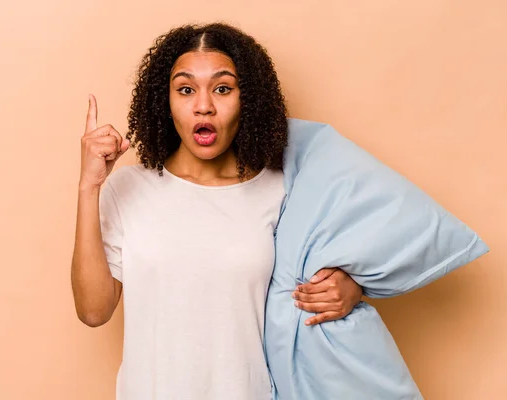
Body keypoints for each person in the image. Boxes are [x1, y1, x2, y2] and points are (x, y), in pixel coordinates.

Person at [71, 23, 363, 399]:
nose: (204, 105)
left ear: (249, 100)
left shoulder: (279, 190)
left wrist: (351, 289)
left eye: (223, 88)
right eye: (186, 89)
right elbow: (94, 312)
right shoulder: (128, 188)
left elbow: (311, 284)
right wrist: (88, 187)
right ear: (166, 100)